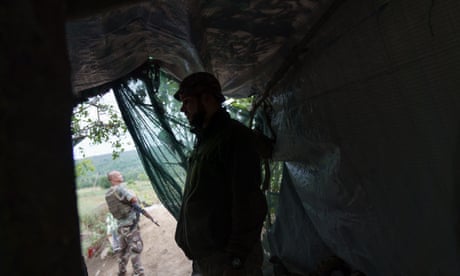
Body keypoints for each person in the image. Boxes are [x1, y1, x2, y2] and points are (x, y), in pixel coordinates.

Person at [173, 72, 268, 276]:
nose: (183, 109)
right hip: (207, 258)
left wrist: (236, 259)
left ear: (206, 98)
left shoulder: (235, 137)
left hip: (227, 259)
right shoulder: (206, 140)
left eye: (187, 101)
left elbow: (248, 202)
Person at [105, 170, 159, 276]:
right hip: (130, 225)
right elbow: (133, 199)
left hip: (121, 226)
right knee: (135, 248)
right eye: (119, 175)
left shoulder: (109, 193)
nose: (121, 175)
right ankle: (139, 272)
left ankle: (122, 271)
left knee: (123, 250)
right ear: (112, 179)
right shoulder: (120, 188)